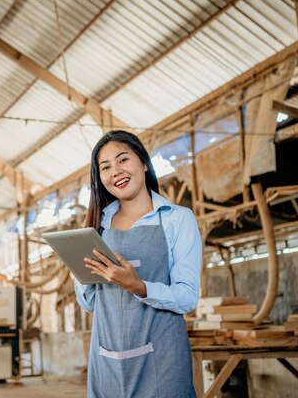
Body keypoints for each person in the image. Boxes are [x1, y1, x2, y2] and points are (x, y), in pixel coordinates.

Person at [75, 130, 201, 398]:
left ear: (144, 163)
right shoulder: (98, 227)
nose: (115, 171)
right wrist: (79, 269)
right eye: (105, 167)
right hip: (107, 359)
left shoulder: (176, 219)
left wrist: (138, 286)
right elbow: (89, 304)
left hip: (163, 361)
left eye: (123, 160)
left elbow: (187, 297)